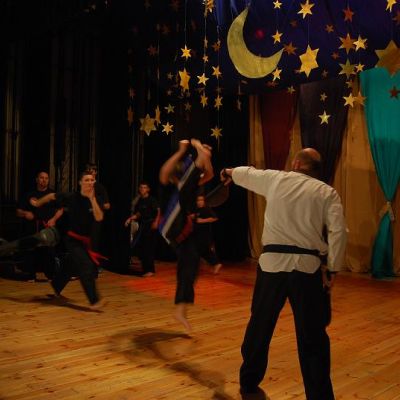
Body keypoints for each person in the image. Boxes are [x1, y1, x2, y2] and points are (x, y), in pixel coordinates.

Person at [221, 148, 347, 400]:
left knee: (260, 326)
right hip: (307, 269)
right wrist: (333, 267)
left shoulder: (276, 179)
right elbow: (338, 232)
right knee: (312, 335)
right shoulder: (327, 192)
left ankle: (249, 382)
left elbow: (247, 174)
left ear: (297, 163)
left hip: (272, 266)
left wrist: (227, 172)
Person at [158, 139, 214, 332]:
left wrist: (204, 155)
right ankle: (181, 309)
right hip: (174, 229)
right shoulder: (172, 185)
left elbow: (210, 174)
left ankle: (181, 310)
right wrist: (186, 150)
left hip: (186, 232)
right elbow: (164, 171)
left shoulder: (190, 184)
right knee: (189, 265)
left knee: (190, 267)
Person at [30, 171, 106, 309]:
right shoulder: (72, 197)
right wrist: (37, 203)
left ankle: (56, 286)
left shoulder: (97, 200)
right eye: (87, 180)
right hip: (73, 239)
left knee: (71, 265)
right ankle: (94, 300)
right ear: (80, 183)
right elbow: (51, 196)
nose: (90, 182)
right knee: (86, 266)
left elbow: (99, 217)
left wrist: (92, 199)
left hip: (87, 241)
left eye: (92, 180)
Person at [16, 171, 64, 281]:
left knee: (49, 251)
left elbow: (60, 210)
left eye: (46, 178)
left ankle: (51, 275)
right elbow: (18, 211)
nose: (44, 180)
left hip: (47, 226)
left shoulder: (52, 194)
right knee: (31, 250)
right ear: (37, 179)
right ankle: (30, 275)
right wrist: (25, 213)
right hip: (32, 226)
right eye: (42, 178)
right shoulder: (29, 194)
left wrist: (54, 219)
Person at [124, 182, 160, 277]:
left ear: (148, 189)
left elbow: (158, 210)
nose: (142, 189)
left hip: (150, 225)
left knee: (149, 248)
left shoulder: (152, 200)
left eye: (144, 187)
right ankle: (145, 269)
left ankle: (150, 270)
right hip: (143, 225)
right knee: (143, 247)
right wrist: (130, 219)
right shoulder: (140, 200)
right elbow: (139, 213)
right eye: (141, 187)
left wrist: (156, 222)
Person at [193, 194, 222, 274]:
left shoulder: (206, 209)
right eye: (198, 200)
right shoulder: (196, 210)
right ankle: (216, 264)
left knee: (202, 251)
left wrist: (202, 221)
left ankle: (216, 263)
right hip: (196, 234)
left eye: (201, 200)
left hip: (204, 235)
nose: (200, 202)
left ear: (204, 201)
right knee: (202, 251)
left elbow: (215, 218)